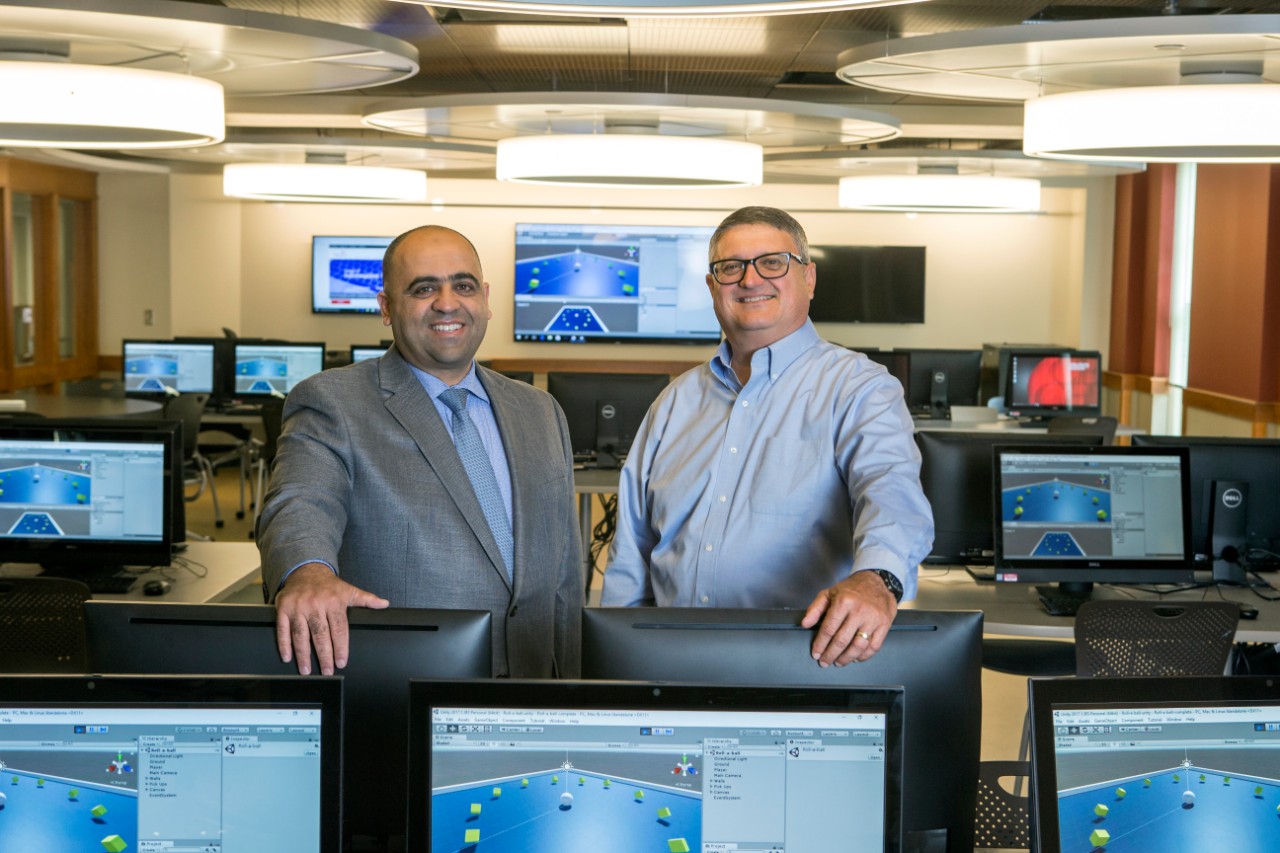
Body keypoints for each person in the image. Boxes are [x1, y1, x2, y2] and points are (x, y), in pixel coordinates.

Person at [602, 206, 933, 666]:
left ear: (809, 278)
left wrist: (878, 577)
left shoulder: (860, 388)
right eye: (730, 267)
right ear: (712, 286)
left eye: (772, 262)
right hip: (667, 660)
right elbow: (631, 549)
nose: (751, 280)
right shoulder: (674, 402)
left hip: (799, 663)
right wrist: (620, 655)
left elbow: (891, 490)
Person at [257, 225, 582, 679]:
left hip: (535, 686)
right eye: (424, 288)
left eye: (463, 285)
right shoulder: (334, 403)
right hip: (413, 687)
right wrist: (308, 571)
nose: (447, 302)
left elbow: (564, 577)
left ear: (485, 299)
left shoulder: (540, 411)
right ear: (387, 307)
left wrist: (575, 685)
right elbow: (301, 500)